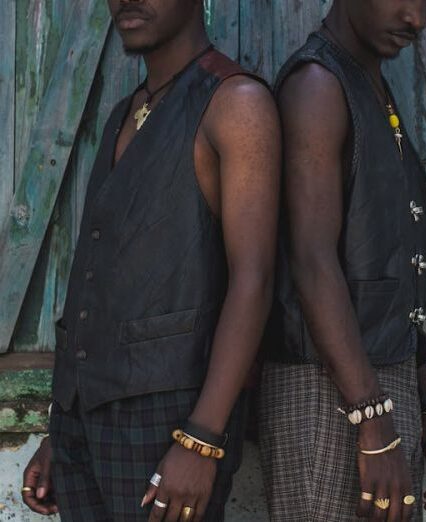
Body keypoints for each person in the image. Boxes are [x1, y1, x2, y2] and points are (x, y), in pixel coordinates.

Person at [22, 0, 280, 520]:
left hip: (171, 421)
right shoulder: (127, 111)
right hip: (85, 424)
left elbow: (254, 280)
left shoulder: (236, 103)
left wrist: (202, 440)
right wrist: (64, 425)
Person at [259, 1, 426, 520]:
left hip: (373, 390)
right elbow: (311, 260)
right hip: (323, 395)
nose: (417, 19)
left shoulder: (367, 85)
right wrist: (373, 423)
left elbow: (385, 286)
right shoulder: (317, 87)